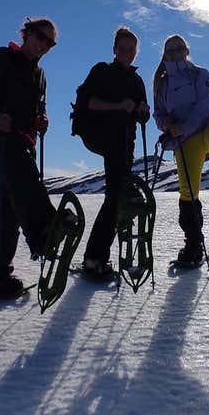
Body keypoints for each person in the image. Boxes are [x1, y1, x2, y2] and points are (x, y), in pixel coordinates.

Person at [0, 17, 60, 297]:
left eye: (50, 42)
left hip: (18, 140)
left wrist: (41, 121)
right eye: (41, 37)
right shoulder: (0, 58)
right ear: (27, 33)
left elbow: (37, 108)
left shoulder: (40, 75)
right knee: (21, 173)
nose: (44, 45)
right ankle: (44, 232)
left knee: (9, 206)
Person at [152, 34, 209, 265]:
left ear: (186, 50)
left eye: (179, 48)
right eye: (171, 50)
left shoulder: (200, 74)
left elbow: (206, 106)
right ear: (166, 54)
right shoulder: (161, 84)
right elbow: (159, 114)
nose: (176, 52)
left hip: (203, 127)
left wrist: (182, 127)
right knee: (188, 193)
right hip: (185, 141)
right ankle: (193, 244)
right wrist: (167, 125)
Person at [71, 26, 150, 279]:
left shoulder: (137, 81)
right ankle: (95, 259)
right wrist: (120, 106)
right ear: (115, 50)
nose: (127, 53)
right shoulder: (102, 71)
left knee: (115, 195)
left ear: (136, 52)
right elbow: (87, 102)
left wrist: (141, 110)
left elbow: (143, 117)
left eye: (132, 50)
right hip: (100, 133)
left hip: (124, 140)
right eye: (123, 48)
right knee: (117, 192)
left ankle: (95, 258)